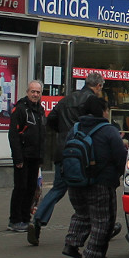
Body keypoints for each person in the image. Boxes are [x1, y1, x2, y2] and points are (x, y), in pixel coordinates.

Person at [28, 71, 103, 246]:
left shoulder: (66, 100)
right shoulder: (92, 101)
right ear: (98, 86)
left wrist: (63, 133)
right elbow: (98, 126)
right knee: (92, 188)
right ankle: (101, 222)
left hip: (63, 150)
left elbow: (51, 120)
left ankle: (37, 219)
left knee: (58, 188)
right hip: (83, 152)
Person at [62, 96, 127, 258]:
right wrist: (124, 174)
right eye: (107, 110)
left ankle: (71, 245)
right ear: (102, 111)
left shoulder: (75, 128)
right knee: (103, 220)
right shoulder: (109, 130)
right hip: (101, 183)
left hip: (75, 182)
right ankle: (94, 254)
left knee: (81, 215)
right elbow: (121, 157)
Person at [7, 80, 46, 232]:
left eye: (38, 92)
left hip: (35, 156)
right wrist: (17, 158)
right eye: (33, 91)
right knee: (20, 188)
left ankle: (25, 218)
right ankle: (15, 220)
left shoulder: (40, 110)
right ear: (27, 92)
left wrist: (41, 157)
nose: (35, 94)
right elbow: (13, 135)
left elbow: (42, 135)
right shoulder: (20, 109)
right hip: (23, 156)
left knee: (31, 189)